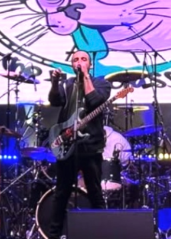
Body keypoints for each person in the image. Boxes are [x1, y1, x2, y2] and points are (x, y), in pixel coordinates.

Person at [47, 50, 111, 239]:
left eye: (84, 59)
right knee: (61, 194)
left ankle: (102, 234)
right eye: (76, 60)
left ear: (90, 64)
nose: (79, 62)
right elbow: (54, 101)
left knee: (95, 193)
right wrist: (55, 82)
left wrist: (85, 76)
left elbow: (94, 101)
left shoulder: (102, 83)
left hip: (90, 147)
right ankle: (53, 235)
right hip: (68, 147)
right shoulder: (68, 85)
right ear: (71, 65)